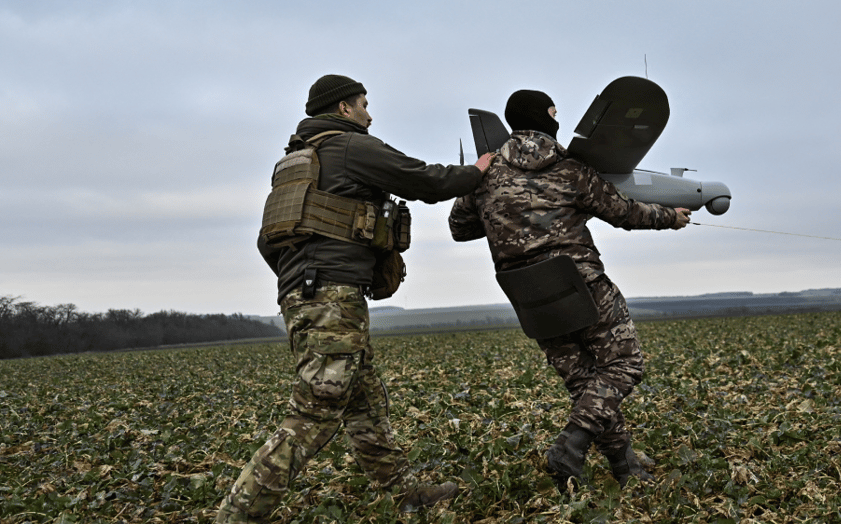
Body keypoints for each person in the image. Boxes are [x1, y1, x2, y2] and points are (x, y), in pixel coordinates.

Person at [215, 74, 493, 524]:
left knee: (364, 402)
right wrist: (476, 171)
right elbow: (421, 178)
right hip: (329, 296)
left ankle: (406, 493)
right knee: (316, 413)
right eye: (363, 103)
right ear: (343, 108)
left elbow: (269, 242)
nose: (369, 112)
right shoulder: (348, 146)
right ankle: (235, 515)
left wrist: (306, 284)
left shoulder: (295, 163)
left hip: (310, 294)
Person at [447, 89, 689, 488]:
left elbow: (459, 229)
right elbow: (624, 212)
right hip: (581, 284)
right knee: (623, 365)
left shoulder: (485, 174)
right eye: (554, 114)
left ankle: (625, 466)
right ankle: (570, 445)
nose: (558, 120)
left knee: (584, 383)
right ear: (545, 119)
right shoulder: (570, 169)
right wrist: (670, 218)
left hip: (529, 295)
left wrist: (498, 209)